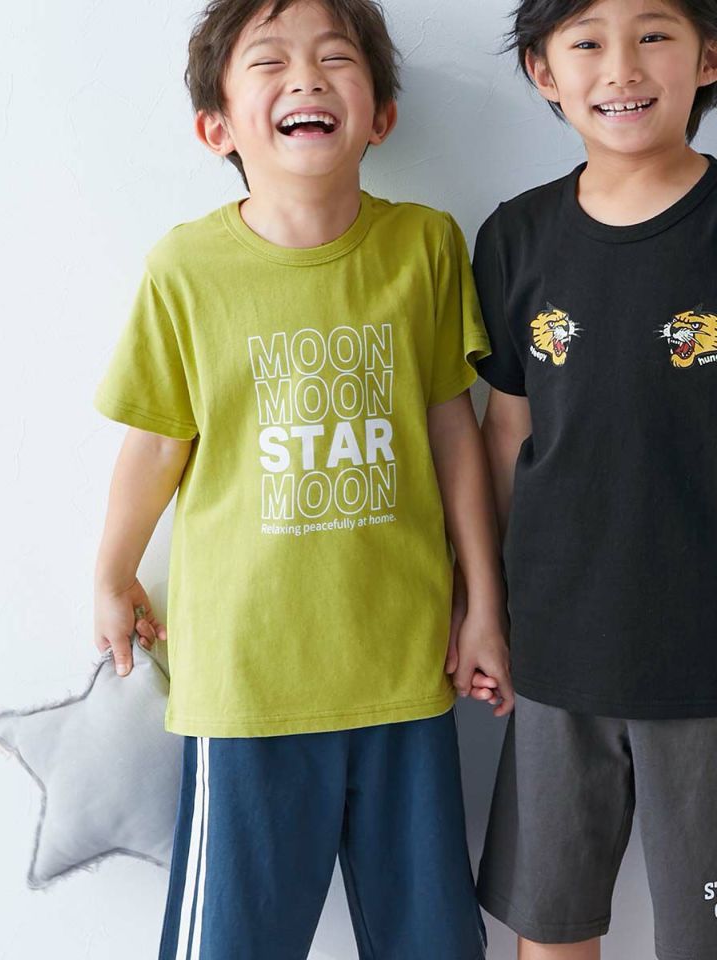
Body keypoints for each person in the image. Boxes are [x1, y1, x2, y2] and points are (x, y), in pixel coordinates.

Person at [91, 0, 513, 957]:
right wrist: (111, 572)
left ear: (381, 116)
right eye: (269, 62)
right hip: (246, 681)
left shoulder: (425, 246)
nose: (308, 78)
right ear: (218, 128)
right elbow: (155, 443)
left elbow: (454, 431)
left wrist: (483, 605)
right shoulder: (187, 269)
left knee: (433, 942)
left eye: (334, 58)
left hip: (405, 668)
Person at [470, 1, 717, 958]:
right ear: (544, 71)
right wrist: (485, 607)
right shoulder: (517, 237)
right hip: (557, 649)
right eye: (586, 42)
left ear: (707, 58)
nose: (621, 67)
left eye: (654, 34)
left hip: (703, 658)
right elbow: (506, 434)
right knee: (552, 926)